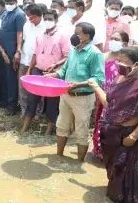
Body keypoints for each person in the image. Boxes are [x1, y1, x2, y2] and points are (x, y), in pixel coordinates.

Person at [89, 46, 138, 203]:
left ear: (136, 64)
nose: (119, 64)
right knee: (114, 170)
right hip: (113, 134)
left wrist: (133, 137)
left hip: (132, 137)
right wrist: (95, 87)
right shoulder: (118, 80)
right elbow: (109, 104)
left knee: (129, 175)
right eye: (118, 60)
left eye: (123, 62)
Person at [45, 22, 105, 161]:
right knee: (61, 126)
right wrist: (54, 75)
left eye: (77, 33)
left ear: (87, 36)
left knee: (81, 130)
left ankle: (78, 163)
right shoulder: (74, 50)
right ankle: (58, 156)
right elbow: (64, 70)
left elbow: (99, 78)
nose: (74, 36)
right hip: (66, 94)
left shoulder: (95, 54)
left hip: (83, 97)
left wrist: (78, 85)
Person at [23, 9, 71, 134]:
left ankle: (48, 130)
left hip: (54, 74)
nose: (48, 21)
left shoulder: (62, 36)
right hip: (38, 71)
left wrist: (55, 64)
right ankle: (25, 126)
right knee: (32, 99)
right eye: (46, 19)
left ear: (56, 20)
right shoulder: (40, 35)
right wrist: (29, 70)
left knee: (52, 102)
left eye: (50, 19)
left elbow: (67, 56)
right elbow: (35, 54)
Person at [91, 30, 128, 160]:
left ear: (124, 43)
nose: (113, 41)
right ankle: (99, 150)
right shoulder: (103, 56)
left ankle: (110, 152)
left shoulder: (125, 60)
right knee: (100, 121)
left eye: (117, 39)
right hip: (101, 94)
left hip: (117, 97)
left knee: (112, 124)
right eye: (111, 38)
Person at [0, 0, 27, 116]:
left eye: (11, 3)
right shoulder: (4, 12)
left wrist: (18, 51)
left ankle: (12, 106)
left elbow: (20, 33)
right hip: (2, 50)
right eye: (7, 3)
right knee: (3, 78)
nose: (9, 5)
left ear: (16, 2)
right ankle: (4, 102)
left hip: (12, 51)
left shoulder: (19, 14)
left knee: (11, 79)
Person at [19, 4, 45, 115]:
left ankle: (37, 113)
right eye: (28, 16)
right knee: (22, 88)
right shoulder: (26, 25)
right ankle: (24, 111)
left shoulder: (45, 27)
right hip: (24, 60)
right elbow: (24, 40)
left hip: (37, 63)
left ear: (39, 16)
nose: (29, 18)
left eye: (32, 16)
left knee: (37, 90)